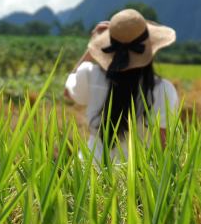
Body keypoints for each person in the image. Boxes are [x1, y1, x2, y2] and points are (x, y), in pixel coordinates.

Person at [65, 9, 179, 163]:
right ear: (150, 47)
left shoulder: (90, 75)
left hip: (89, 173)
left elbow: (67, 92)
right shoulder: (162, 90)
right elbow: (163, 144)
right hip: (137, 179)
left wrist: (91, 49)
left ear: (108, 49)